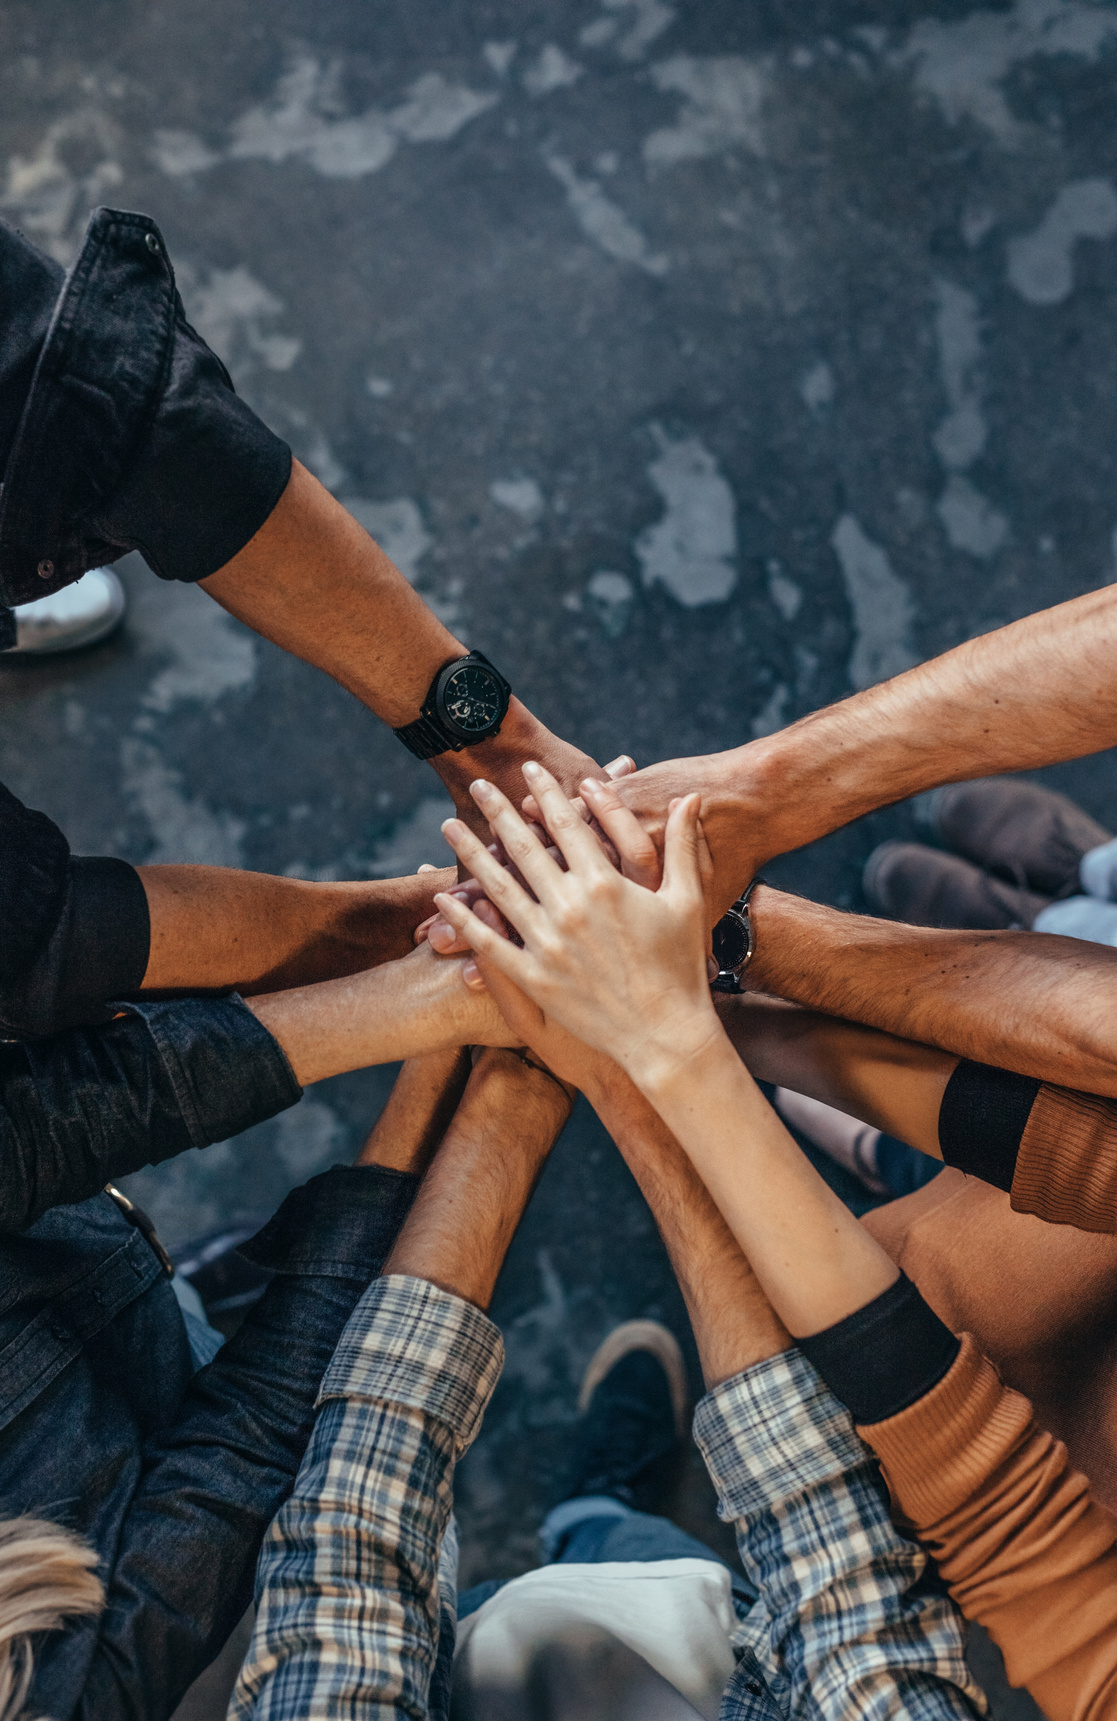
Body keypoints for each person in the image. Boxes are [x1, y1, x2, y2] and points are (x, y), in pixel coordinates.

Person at [430, 760, 1117, 1719]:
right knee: (1018, 1122)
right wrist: (731, 987)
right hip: (1048, 1205)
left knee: (943, 1234)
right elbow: (1094, 1151)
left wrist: (668, 1040)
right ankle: (1073, 901)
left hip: (1013, 1364)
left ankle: (592, 1523)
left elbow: (1010, 1530)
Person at [233, 1046, 982, 1721]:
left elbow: (345, 1597)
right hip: (701, 1658)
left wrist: (515, 1086)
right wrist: (644, 1076)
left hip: (482, 1671)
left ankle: (586, 1511)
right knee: (645, 1555)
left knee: (552, 1582)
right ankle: (597, 1511)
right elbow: (857, 1622)